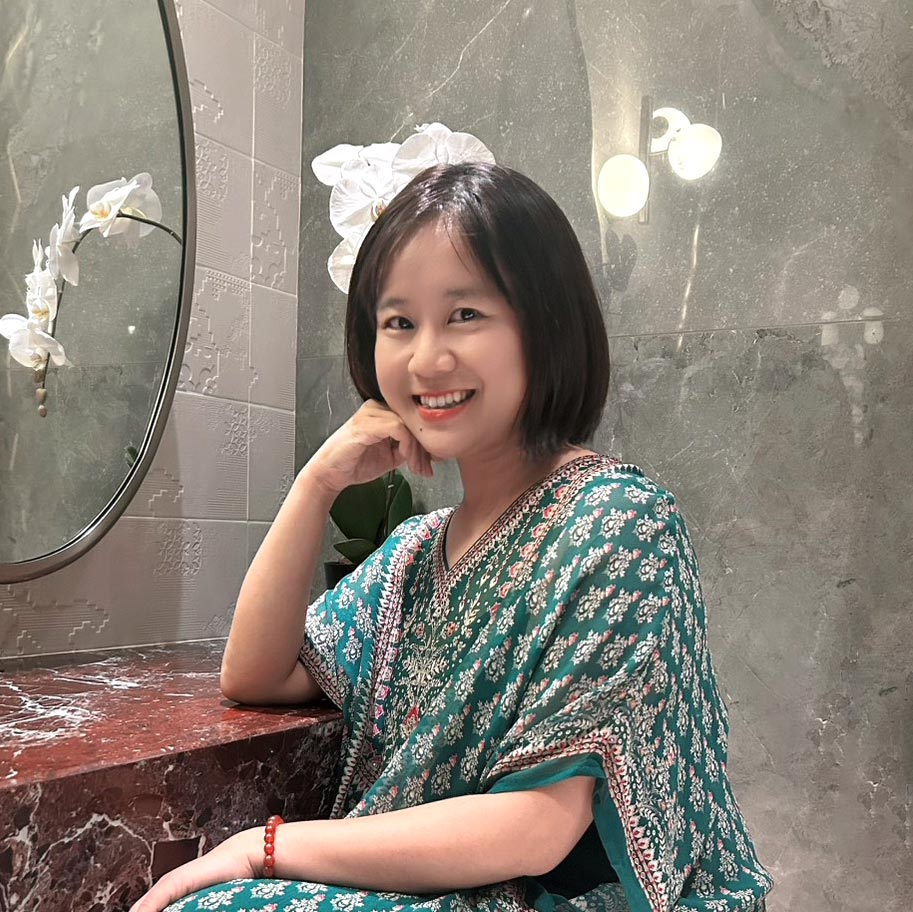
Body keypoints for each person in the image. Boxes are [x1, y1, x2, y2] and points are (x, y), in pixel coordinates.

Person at [130, 163, 773, 912]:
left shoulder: (619, 523)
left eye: (465, 314)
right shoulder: (415, 553)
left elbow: (536, 827)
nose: (427, 359)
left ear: (545, 325)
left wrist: (264, 848)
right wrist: (316, 484)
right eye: (398, 323)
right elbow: (255, 675)